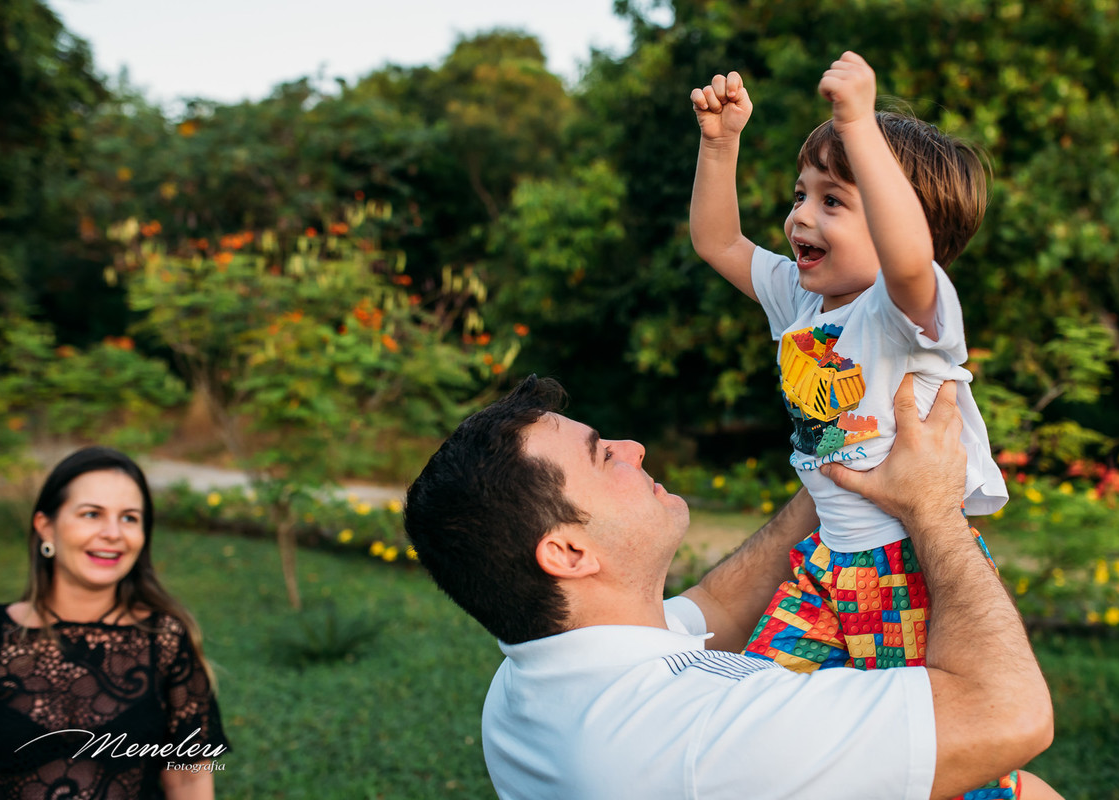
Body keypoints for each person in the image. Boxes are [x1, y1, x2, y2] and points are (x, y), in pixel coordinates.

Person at [689, 51, 1062, 800]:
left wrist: (860, 124)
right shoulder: (801, 300)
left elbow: (909, 258)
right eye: (801, 194)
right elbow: (718, 243)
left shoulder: (906, 311)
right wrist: (720, 145)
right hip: (825, 567)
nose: (800, 216)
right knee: (754, 725)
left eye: (834, 200)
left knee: (932, 770)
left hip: (909, 573)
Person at [404, 374, 1055, 799]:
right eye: (604, 455)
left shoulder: (530, 680)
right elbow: (1010, 715)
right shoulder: (695, 738)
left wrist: (834, 469)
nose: (633, 447)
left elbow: (717, 605)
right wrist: (933, 508)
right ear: (568, 552)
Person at [0, 447, 229, 800]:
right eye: (92, 514)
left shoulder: (165, 641)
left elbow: (188, 779)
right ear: (46, 527)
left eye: (129, 518)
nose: (113, 533)